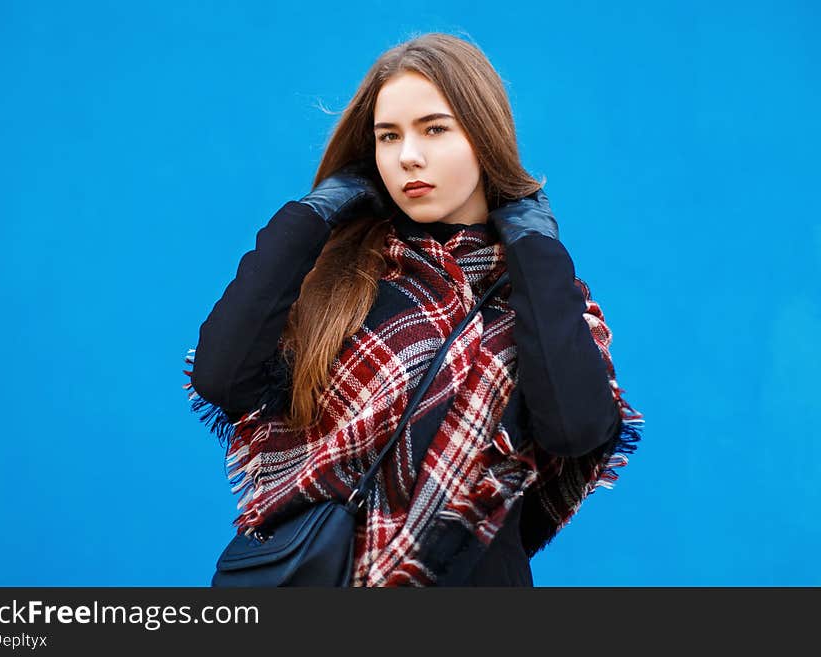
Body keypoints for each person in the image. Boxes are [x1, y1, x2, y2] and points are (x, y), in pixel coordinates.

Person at [182, 32, 644, 587]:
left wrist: (533, 245)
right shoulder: (341, 277)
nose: (407, 156)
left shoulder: (541, 295)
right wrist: (316, 212)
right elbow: (222, 378)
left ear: (484, 137)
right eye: (387, 136)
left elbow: (575, 428)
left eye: (434, 129)